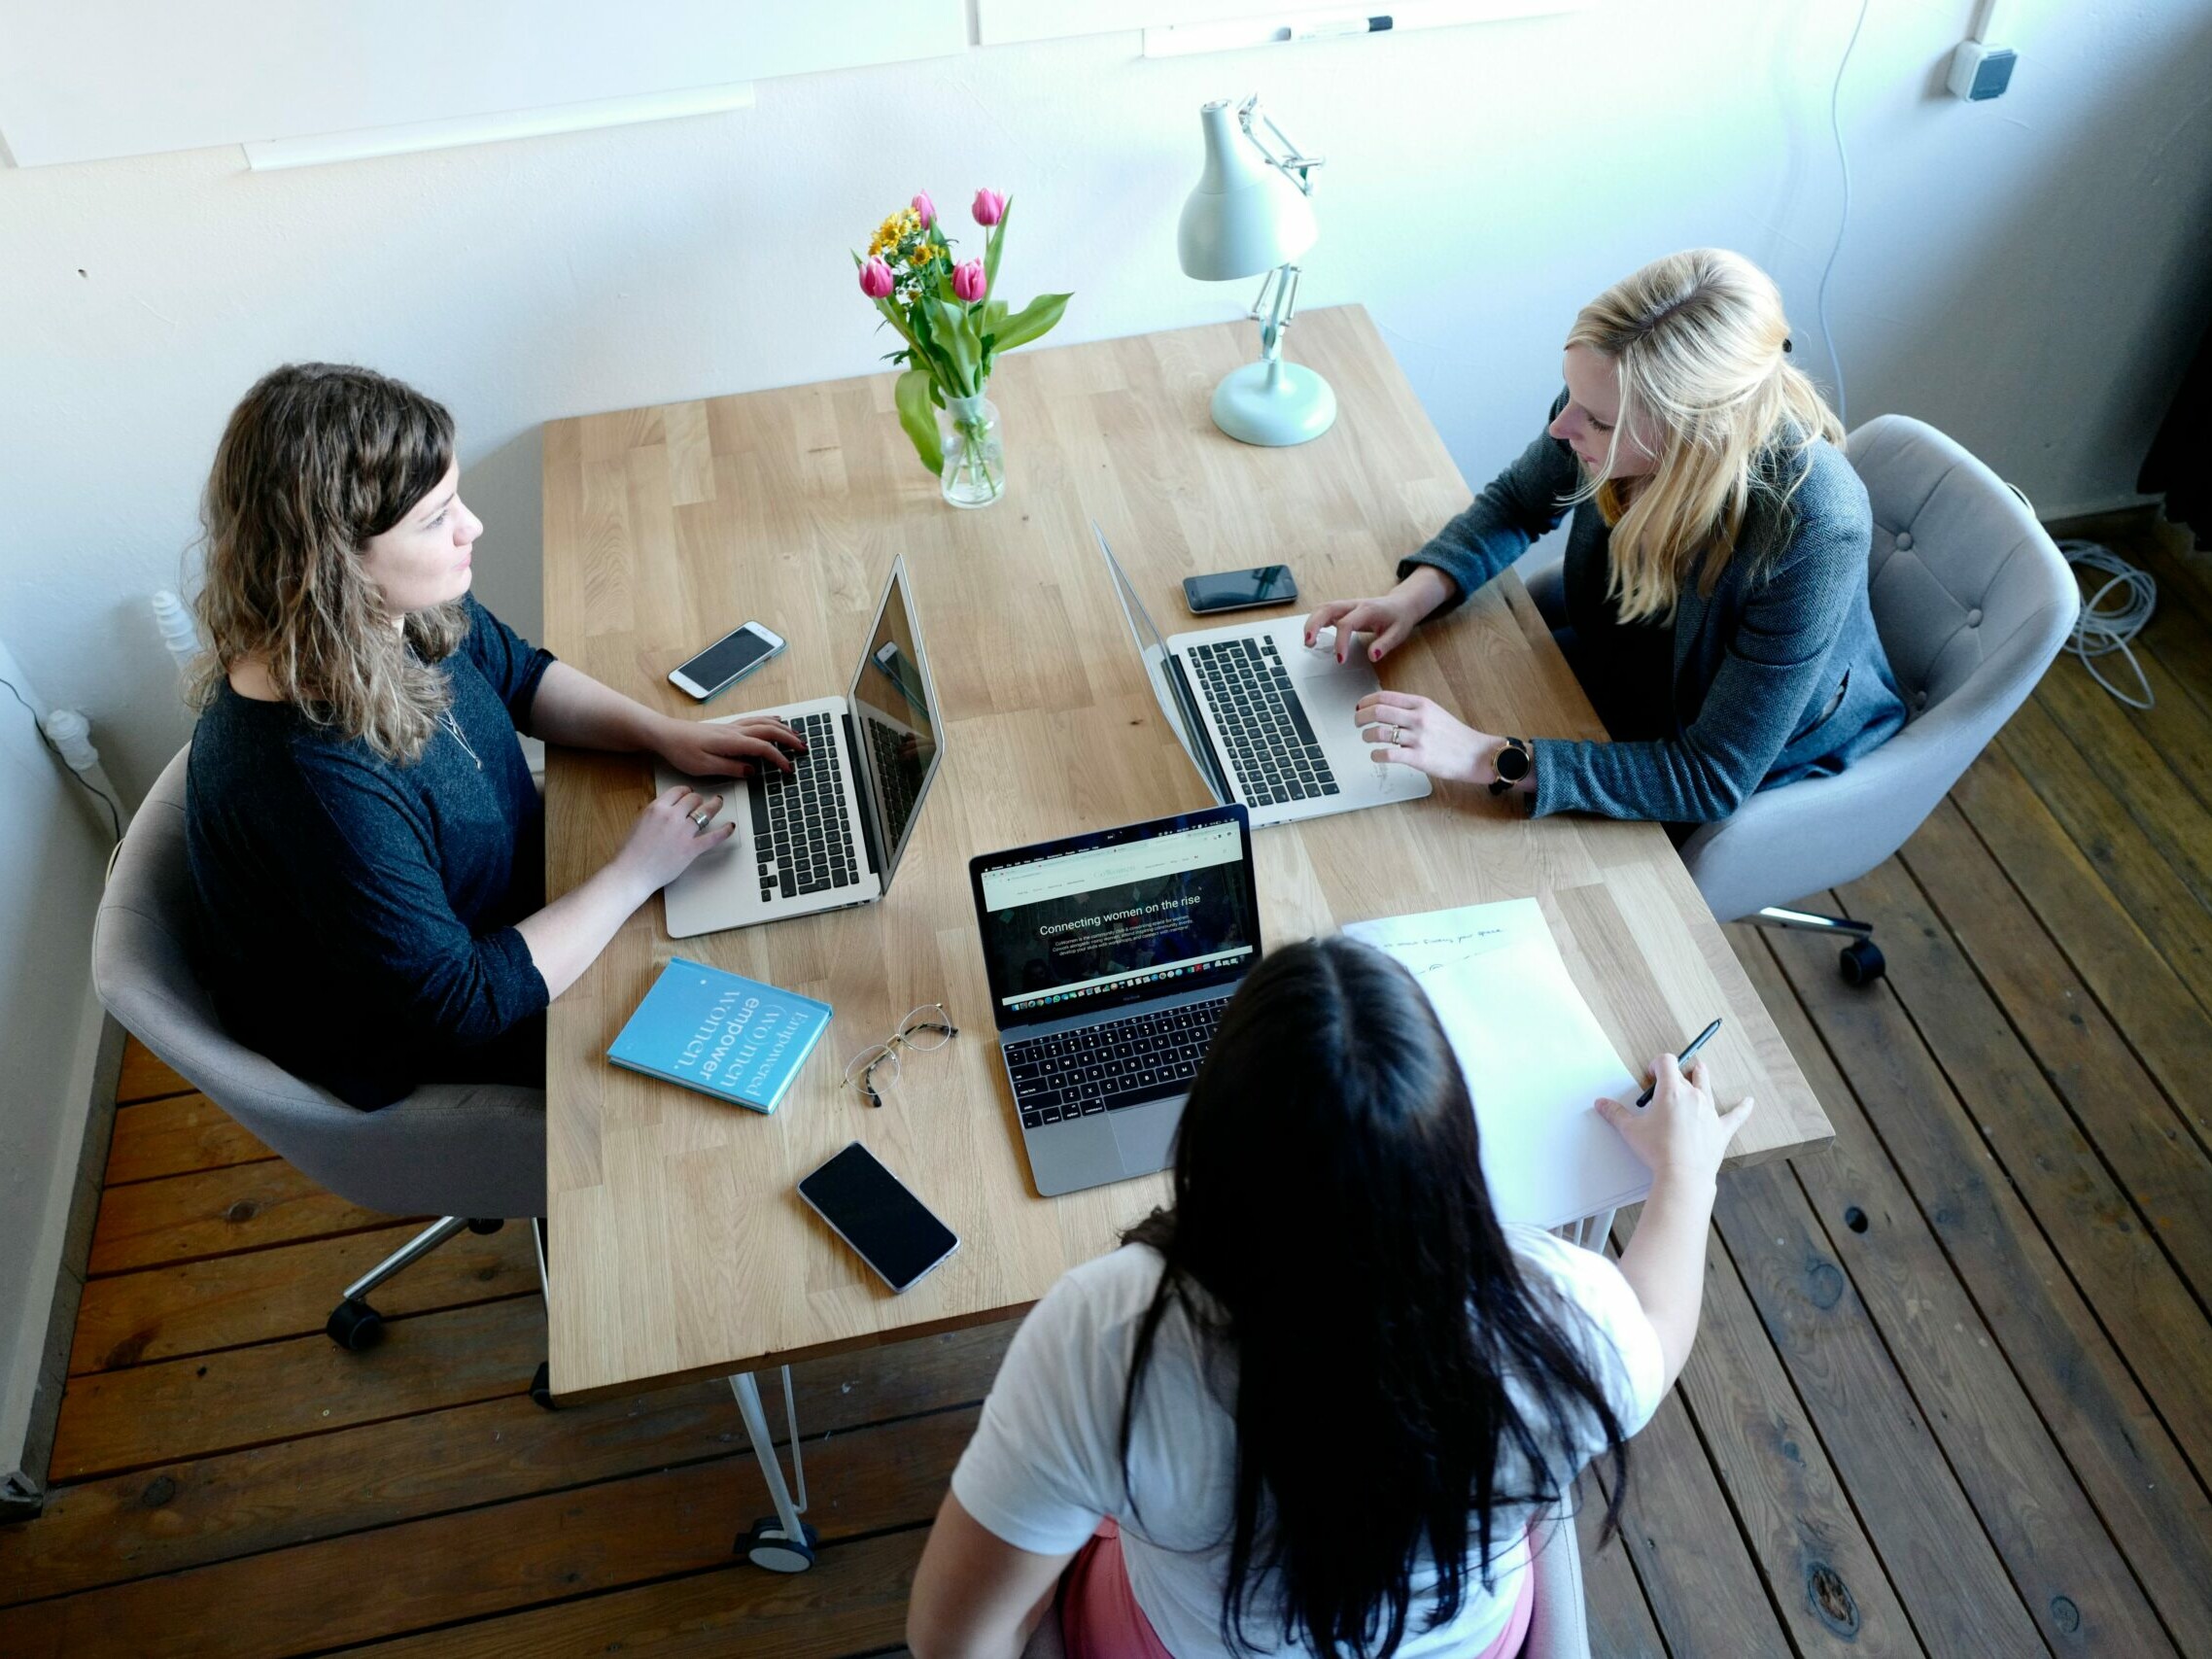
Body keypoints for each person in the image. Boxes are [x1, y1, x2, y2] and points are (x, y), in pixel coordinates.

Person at [907, 936, 1753, 1659]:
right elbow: (1659, 1326)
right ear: (1454, 1148)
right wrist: (1688, 1170)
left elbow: (952, 1638)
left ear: (1212, 1140)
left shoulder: (1107, 1334)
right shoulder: (1558, 1315)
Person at [184, 362, 803, 1108]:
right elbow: (462, 1002)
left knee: (770, 909)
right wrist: (635, 874)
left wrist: (663, 734)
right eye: (434, 518)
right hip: (444, 1032)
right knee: (773, 999)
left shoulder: (378, 616)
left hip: (528, 895)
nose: (470, 527)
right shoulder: (313, 784)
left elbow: (519, 677)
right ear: (333, 563)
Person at [1312, 248, 1906, 824]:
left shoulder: (1814, 529)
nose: (1562, 426)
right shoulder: (1603, 395)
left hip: (1724, 742)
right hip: (1625, 659)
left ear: (1697, 431)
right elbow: (1519, 503)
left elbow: (1711, 774)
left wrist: (1484, 755)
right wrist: (1410, 599)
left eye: (1596, 421)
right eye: (1572, 396)